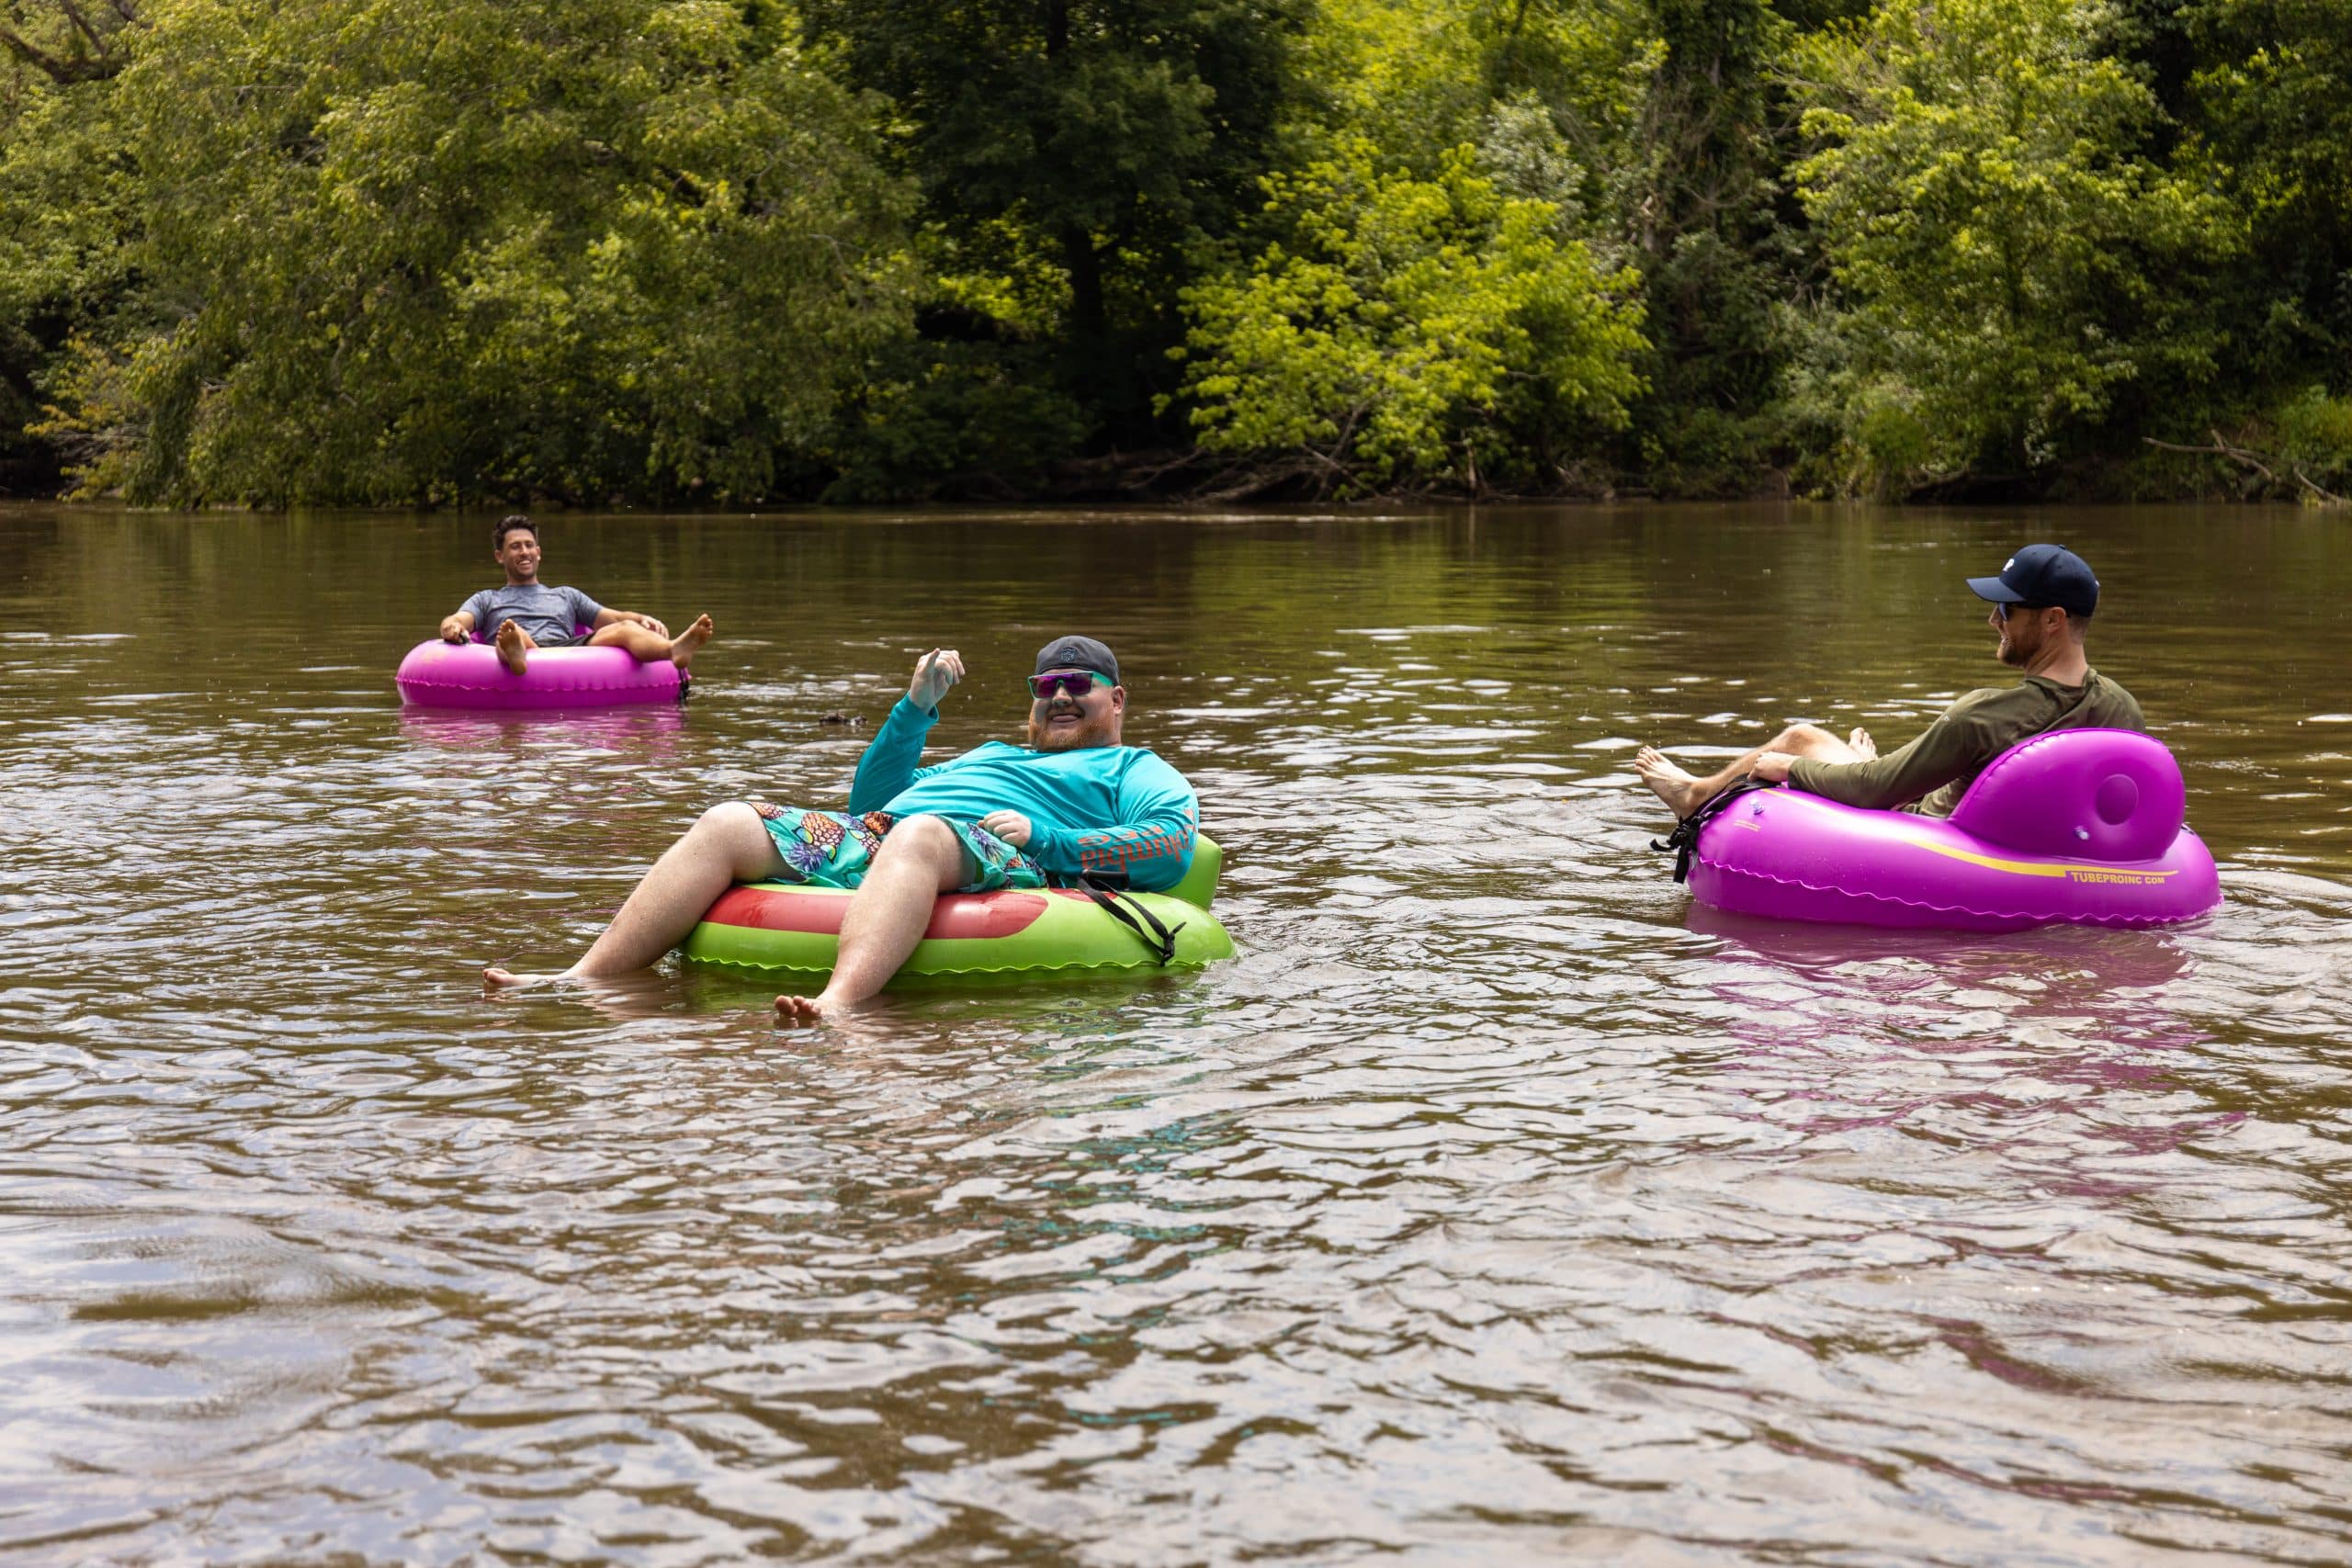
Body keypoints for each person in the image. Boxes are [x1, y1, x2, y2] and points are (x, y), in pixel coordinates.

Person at [483, 635, 1201, 1022]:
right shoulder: (994, 752)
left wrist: (1047, 840)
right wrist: (915, 708)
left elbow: (1170, 845)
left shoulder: (1134, 767)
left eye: (1078, 685)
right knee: (729, 818)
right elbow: (872, 799)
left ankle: (840, 1003)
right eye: (1047, 687)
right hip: (887, 833)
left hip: (996, 852)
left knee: (920, 832)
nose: (1061, 697)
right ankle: (582, 979)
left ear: (1117, 698)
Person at [1633, 543, 2146, 821]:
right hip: (2035, 841)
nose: (1994, 620)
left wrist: (1789, 766)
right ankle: (1867, 757)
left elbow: (1877, 793)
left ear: (2053, 620)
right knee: (1869, 762)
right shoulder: (2124, 713)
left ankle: (1695, 795)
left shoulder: (1982, 717)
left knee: (1801, 737)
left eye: (2007, 609)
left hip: (1934, 830)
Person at [439, 514, 714, 677]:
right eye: (515, 547)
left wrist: (641, 618)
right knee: (511, 631)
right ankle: (516, 653)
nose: (524, 552)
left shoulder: (566, 595)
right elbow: (457, 619)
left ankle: (674, 649)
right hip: (517, 642)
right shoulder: (487, 599)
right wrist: (451, 627)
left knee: (626, 629)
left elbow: (614, 617)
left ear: (539, 552)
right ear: (500, 556)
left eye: (529, 545)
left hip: (568, 648)